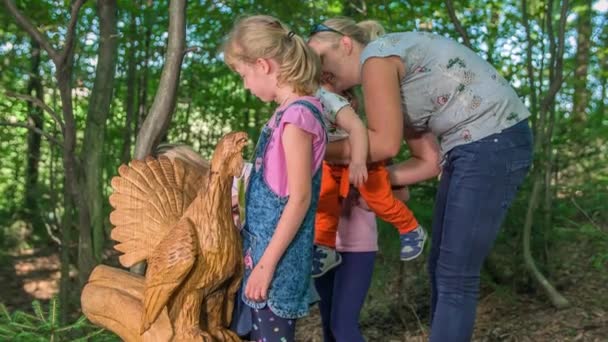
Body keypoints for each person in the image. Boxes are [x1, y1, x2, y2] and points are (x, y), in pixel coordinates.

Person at [308, 18, 533, 341]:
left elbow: (384, 144)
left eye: (320, 59)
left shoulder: (376, 56)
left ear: (345, 43)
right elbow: (426, 162)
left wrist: (310, 149)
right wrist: (374, 184)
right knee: (441, 267)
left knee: (455, 276)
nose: (319, 71)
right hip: (468, 149)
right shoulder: (396, 88)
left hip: (492, 141)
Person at [222, 15, 327, 342]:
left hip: (275, 269)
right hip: (260, 260)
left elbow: (299, 198)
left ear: (263, 65)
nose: (245, 85)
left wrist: (266, 266)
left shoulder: (297, 117)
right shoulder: (285, 114)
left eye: (243, 75)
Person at [312, 81, 426, 279]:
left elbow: (398, 193)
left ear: (350, 102)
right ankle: (325, 247)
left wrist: (359, 169)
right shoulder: (313, 110)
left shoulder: (361, 132)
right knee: (325, 200)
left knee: (378, 198)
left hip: (364, 162)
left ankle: (410, 228)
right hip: (332, 163)